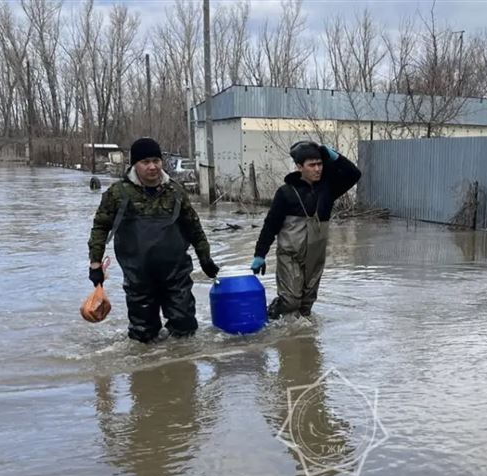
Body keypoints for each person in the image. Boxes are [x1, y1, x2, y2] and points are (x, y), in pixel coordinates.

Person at [87, 137, 219, 343]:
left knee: (185, 329)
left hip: (176, 274)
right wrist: (95, 263)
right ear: (135, 164)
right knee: (143, 336)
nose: (152, 167)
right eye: (145, 162)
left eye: (156, 161)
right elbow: (100, 228)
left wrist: (205, 258)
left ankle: (183, 368)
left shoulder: (175, 191)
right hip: (138, 277)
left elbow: (194, 227)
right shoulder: (118, 193)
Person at [251, 141, 361, 319]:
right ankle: (271, 314)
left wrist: (335, 157)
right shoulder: (286, 193)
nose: (317, 169)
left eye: (320, 164)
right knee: (291, 301)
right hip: (291, 256)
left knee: (306, 305)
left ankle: (301, 340)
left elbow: (354, 174)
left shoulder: (328, 190)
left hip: (315, 257)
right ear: (299, 167)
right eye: (312, 165)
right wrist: (260, 254)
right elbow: (271, 225)